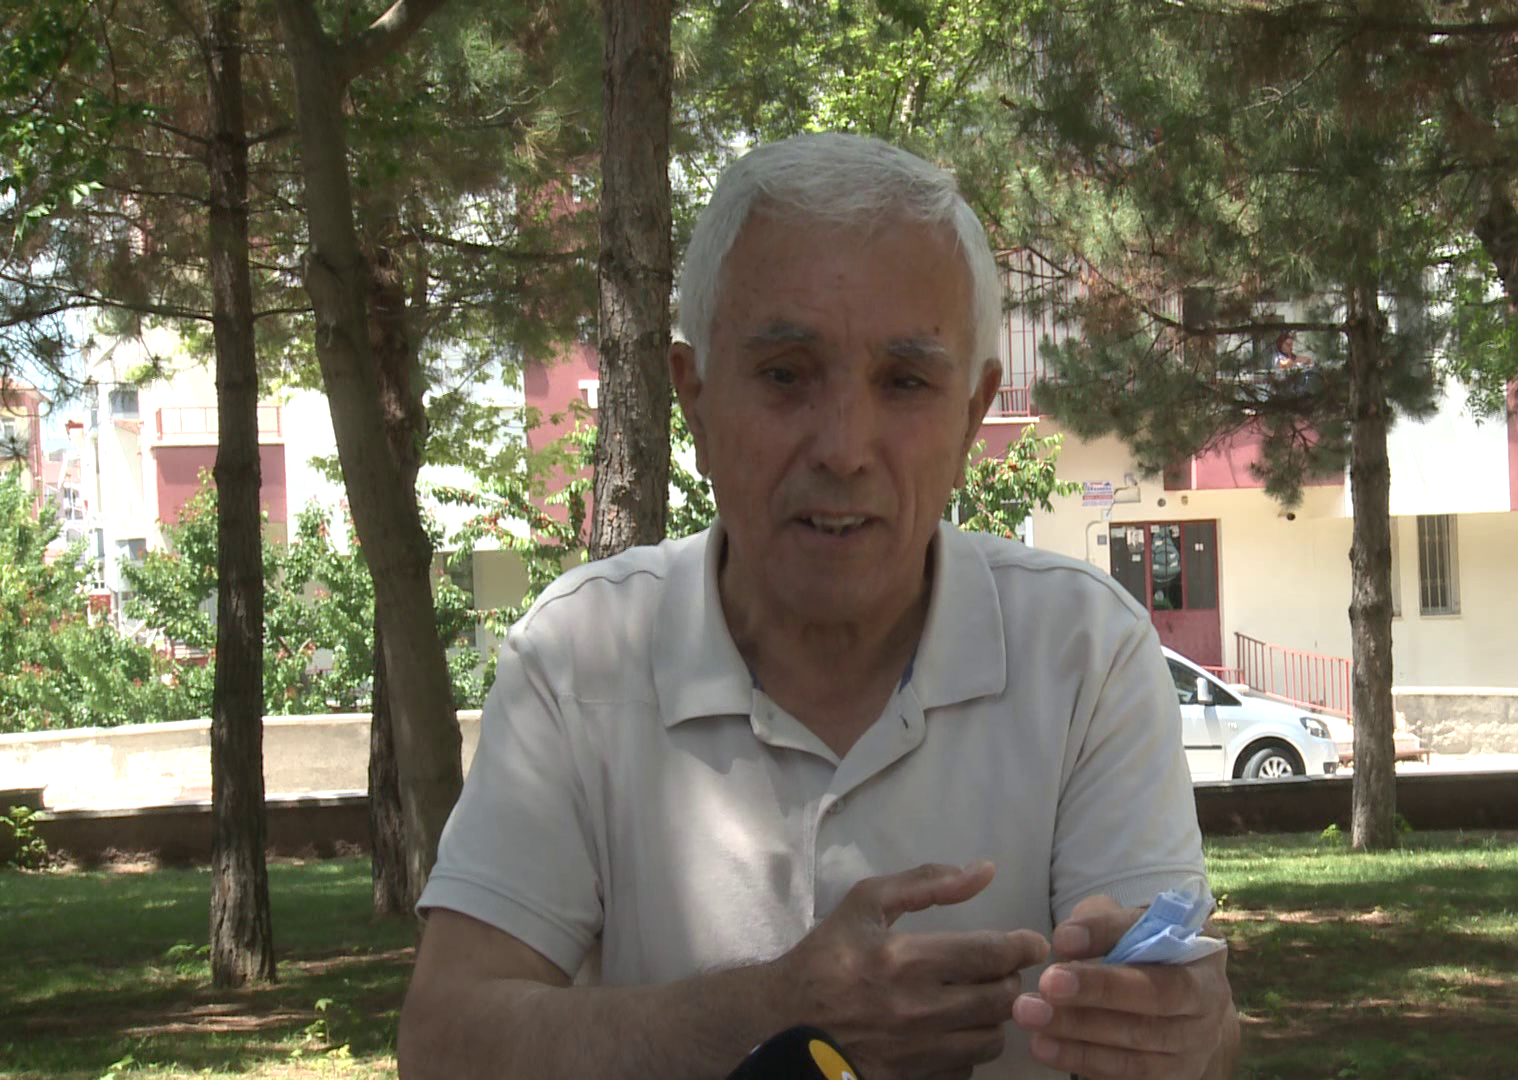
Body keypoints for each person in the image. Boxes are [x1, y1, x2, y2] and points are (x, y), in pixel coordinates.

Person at [396, 133, 1239, 1080]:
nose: (843, 447)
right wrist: (775, 1012)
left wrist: (1183, 1032)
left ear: (972, 415)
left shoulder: (1086, 653)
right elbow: (445, 1047)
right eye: (786, 373)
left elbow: (1189, 1035)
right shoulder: (580, 656)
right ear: (695, 398)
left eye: (905, 382)